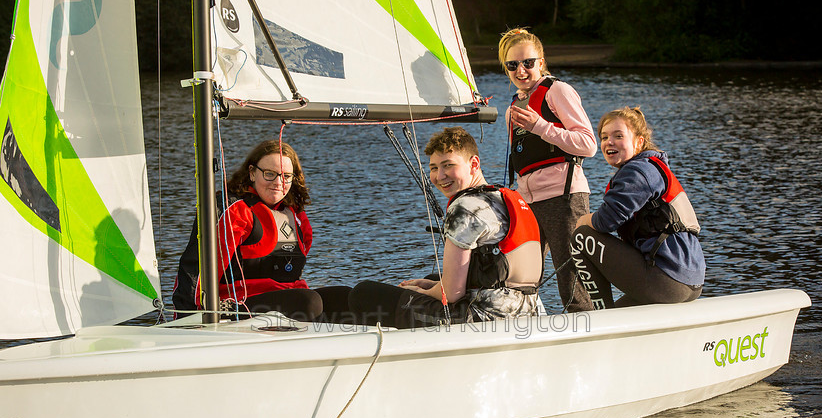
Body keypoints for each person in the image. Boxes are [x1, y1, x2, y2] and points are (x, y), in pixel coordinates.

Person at [348, 127, 544, 328]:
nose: (440, 176)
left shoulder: (465, 207)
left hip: (484, 318)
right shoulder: (505, 200)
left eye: (448, 165)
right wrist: (433, 285)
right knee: (432, 278)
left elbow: (451, 294)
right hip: (528, 311)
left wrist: (421, 293)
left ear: (473, 164)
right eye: (433, 168)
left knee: (363, 293)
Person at [172, 139, 348, 320]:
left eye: (286, 176)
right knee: (309, 302)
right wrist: (187, 319)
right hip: (235, 308)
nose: (279, 182)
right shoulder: (234, 210)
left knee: (347, 298)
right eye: (270, 174)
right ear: (252, 173)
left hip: (292, 303)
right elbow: (196, 270)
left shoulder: (296, 216)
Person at [497, 28, 598, 312]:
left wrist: (540, 126)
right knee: (521, 276)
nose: (521, 70)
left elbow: (588, 145)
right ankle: (523, 329)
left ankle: (587, 332)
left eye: (528, 62)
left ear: (541, 62)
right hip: (528, 204)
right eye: (513, 65)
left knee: (572, 279)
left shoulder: (558, 91)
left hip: (564, 198)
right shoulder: (513, 108)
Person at [572, 107, 705, 309]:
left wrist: (584, 220)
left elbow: (607, 221)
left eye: (619, 136)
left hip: (667, 279)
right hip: (689, 281)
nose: (609, 142)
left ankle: (600, 317)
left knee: (582, 235)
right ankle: (612, 317)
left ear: (639, 142)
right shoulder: (650, 168)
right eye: (604, 137)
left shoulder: (638, 171)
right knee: (621, 312)